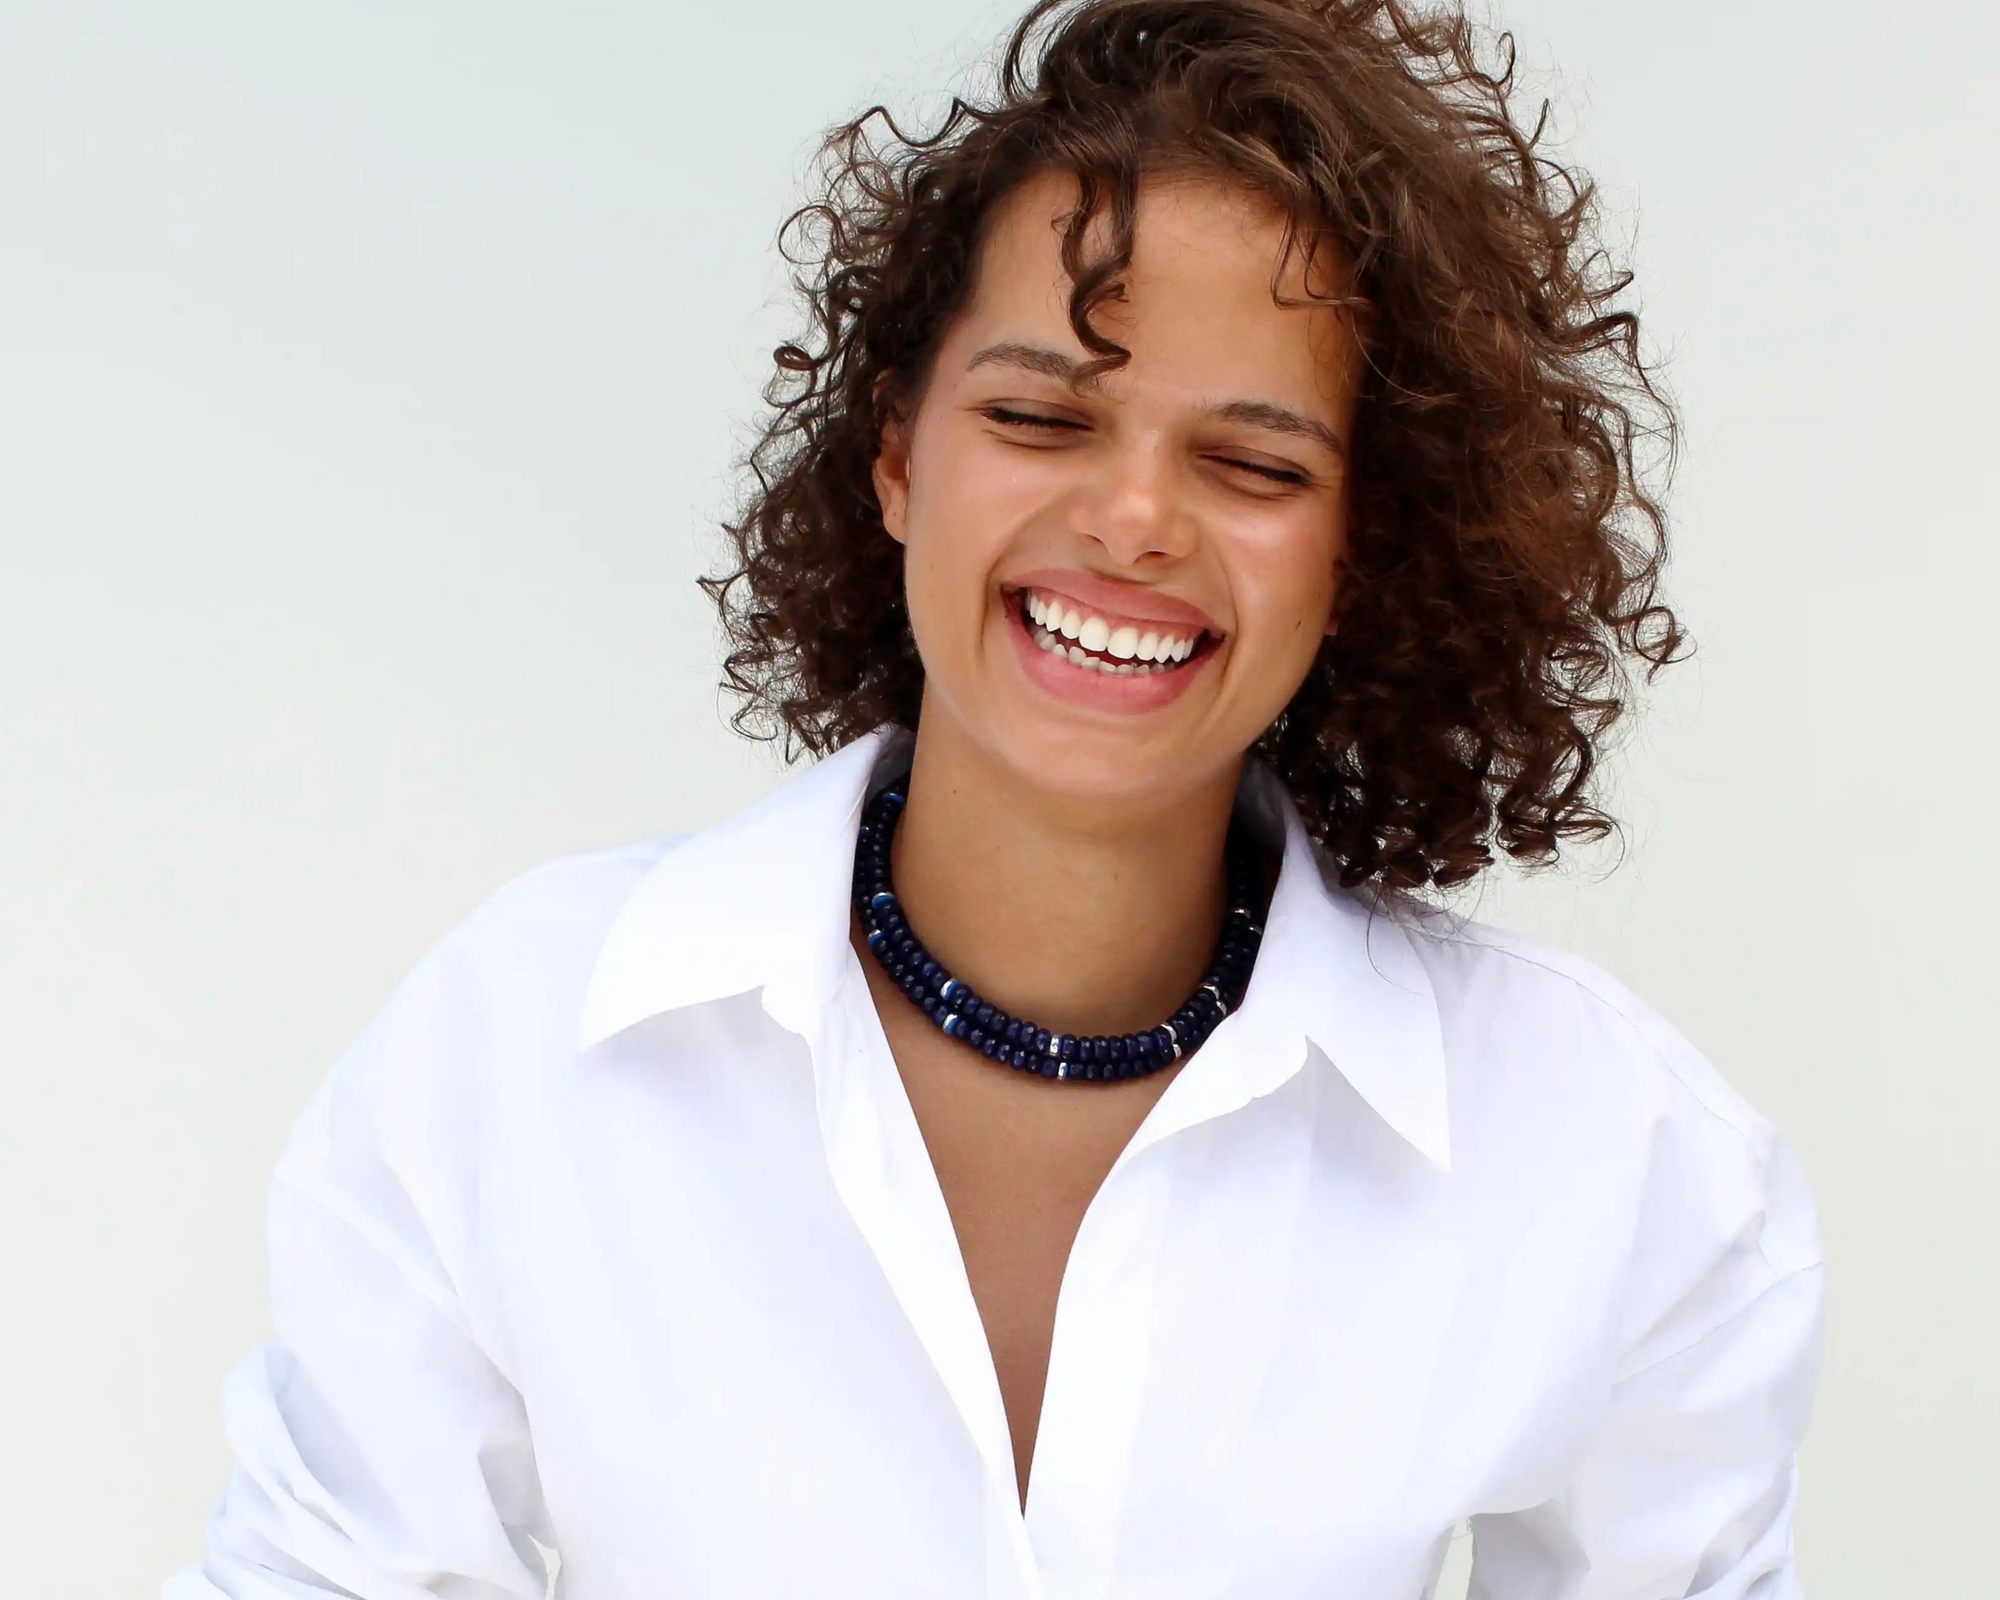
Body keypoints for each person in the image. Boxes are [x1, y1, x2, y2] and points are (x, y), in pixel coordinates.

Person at [167, 1, 1824, 1596]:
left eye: (1254, 465)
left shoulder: (1607, 1151)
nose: (1133, 520)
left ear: (1367, 539)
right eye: (1039, 416)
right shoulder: (519, 1044)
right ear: (896, 453)